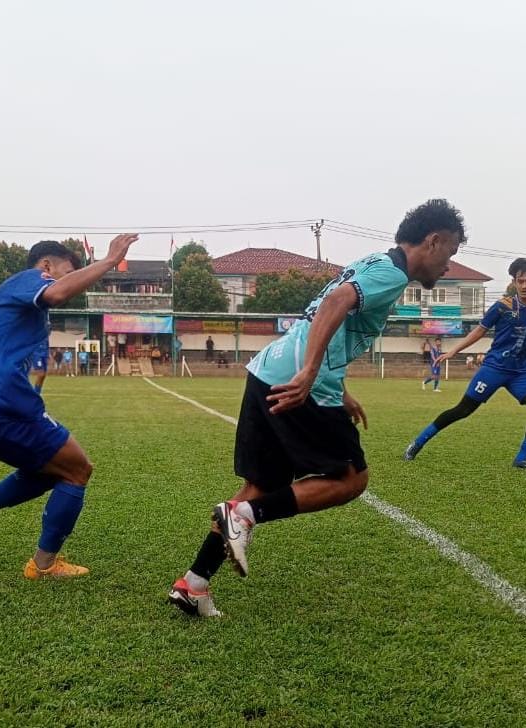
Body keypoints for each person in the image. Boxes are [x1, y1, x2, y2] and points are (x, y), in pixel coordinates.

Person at [168, 199, 465, 618]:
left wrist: (338, 388)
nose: (448, 265)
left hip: (268, 370)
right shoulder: (392, 273)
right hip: (299, 382)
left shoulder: (372, 260)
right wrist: (311, 372)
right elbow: (333, 305)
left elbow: (328, 321)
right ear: (433, 241)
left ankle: (193, 585)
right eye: (450, 253)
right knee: (350, 479)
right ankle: (246, 517)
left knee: (261, 484)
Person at [0, 235, 139, 580]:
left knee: (53, 469)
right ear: (46, 266)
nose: (67, 280)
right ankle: (44, 565)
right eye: (66, 271)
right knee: (77, 469)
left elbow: (29, 353)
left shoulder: (13, 303)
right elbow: (58, 292)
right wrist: (109, 262)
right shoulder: (30, 279)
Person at [404, 258, 526, 470]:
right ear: (514, 282)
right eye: (520, 281)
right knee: (463, 410)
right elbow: (479, 331)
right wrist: (454, 350)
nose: (524, 285)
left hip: (521, 374)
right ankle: (418, 442)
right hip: (493, 369)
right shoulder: (502, 306)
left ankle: (522, 458)